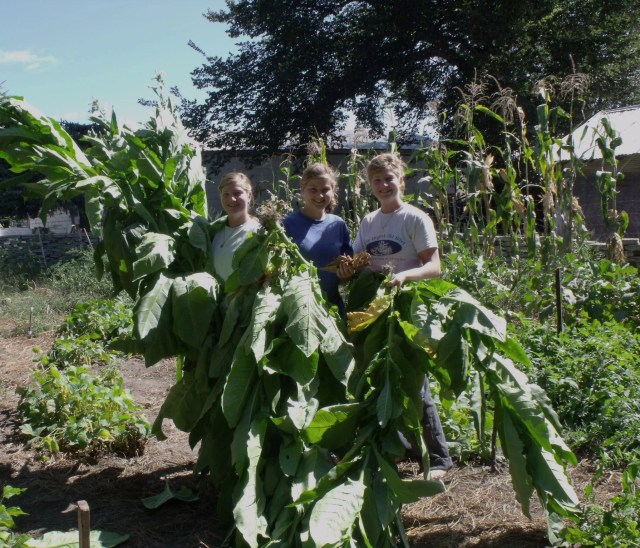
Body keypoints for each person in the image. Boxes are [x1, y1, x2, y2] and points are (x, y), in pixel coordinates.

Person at [352, 152, 453, 478]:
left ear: (401, 181)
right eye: (376, 181)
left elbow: (435, 267)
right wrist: (348, 268)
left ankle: (439, 459)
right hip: (378, 308)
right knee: (380, 378)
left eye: (388, 179)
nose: (383, 185)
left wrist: (405, 276)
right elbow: (358, 261)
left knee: (414, 381)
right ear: (371, 185)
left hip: (409, 306)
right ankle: (401, 448)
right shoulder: (368, 222)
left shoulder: (415, 218)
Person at [283, 163, 353, 316]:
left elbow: (347, 274)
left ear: (333, 190)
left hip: (332, 309)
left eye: (325, 190)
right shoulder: (287, 225)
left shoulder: (338, 225)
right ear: (302, 188)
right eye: (313, 190)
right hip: (298, 309)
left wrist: (346, 275)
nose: (319, 196)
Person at [212, 172, 261, 282]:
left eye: (237, 193)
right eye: (226, 194)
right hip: (215, 298)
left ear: (249, 196)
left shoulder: (258, 232)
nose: (231, 199)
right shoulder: (214, 231)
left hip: (242, 298)